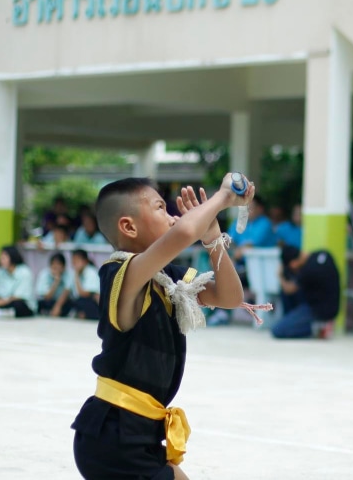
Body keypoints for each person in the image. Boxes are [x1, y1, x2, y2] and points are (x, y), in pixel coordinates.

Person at [71, 177, 251, 480]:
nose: (172, 216)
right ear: (129, 227)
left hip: (141, 433)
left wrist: (213, 237)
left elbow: (230, 297)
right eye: (160, 208)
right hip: (113, 436)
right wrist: (220, 199)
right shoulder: (119, 273)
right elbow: (183, 232)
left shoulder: (169, 278)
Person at [271, 246, 342, 339]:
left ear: (293, 264)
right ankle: (300, 322)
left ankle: (318, 327)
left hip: (317, 310)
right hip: (331, 307)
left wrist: (280, 276)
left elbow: (289, 290)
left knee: (277, 330)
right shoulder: (324, 254)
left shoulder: (307, 270)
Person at [0, 245, 36, 318]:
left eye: (3, 258)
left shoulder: (24, 272)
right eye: (0, 258)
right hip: (4, 301)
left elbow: (17, 297)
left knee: (18, 304)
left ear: (12, 257)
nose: (0, 260)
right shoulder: (1, 271)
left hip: (20, 303)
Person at [65, 249, 101, 320]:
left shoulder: (91, 272)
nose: (74, 263)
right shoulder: (73, 272)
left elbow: (84, 294)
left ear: (85, 261)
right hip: (80, 301)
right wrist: (57, 306)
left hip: (95, 303)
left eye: (77, 260)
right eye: (73, 260)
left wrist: (77, 275)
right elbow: (66, 291)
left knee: (82, 300)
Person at [37, 252, 71, 316]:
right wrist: (56, 282)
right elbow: (47, 297)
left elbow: (67, 292)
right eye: (53, 264)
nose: (56, 267)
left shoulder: (68, 274)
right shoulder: (44, 274)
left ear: (63, 267)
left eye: (58, 264)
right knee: (43, 303)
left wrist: (58, 306)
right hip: (49, 300)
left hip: (62, 302)